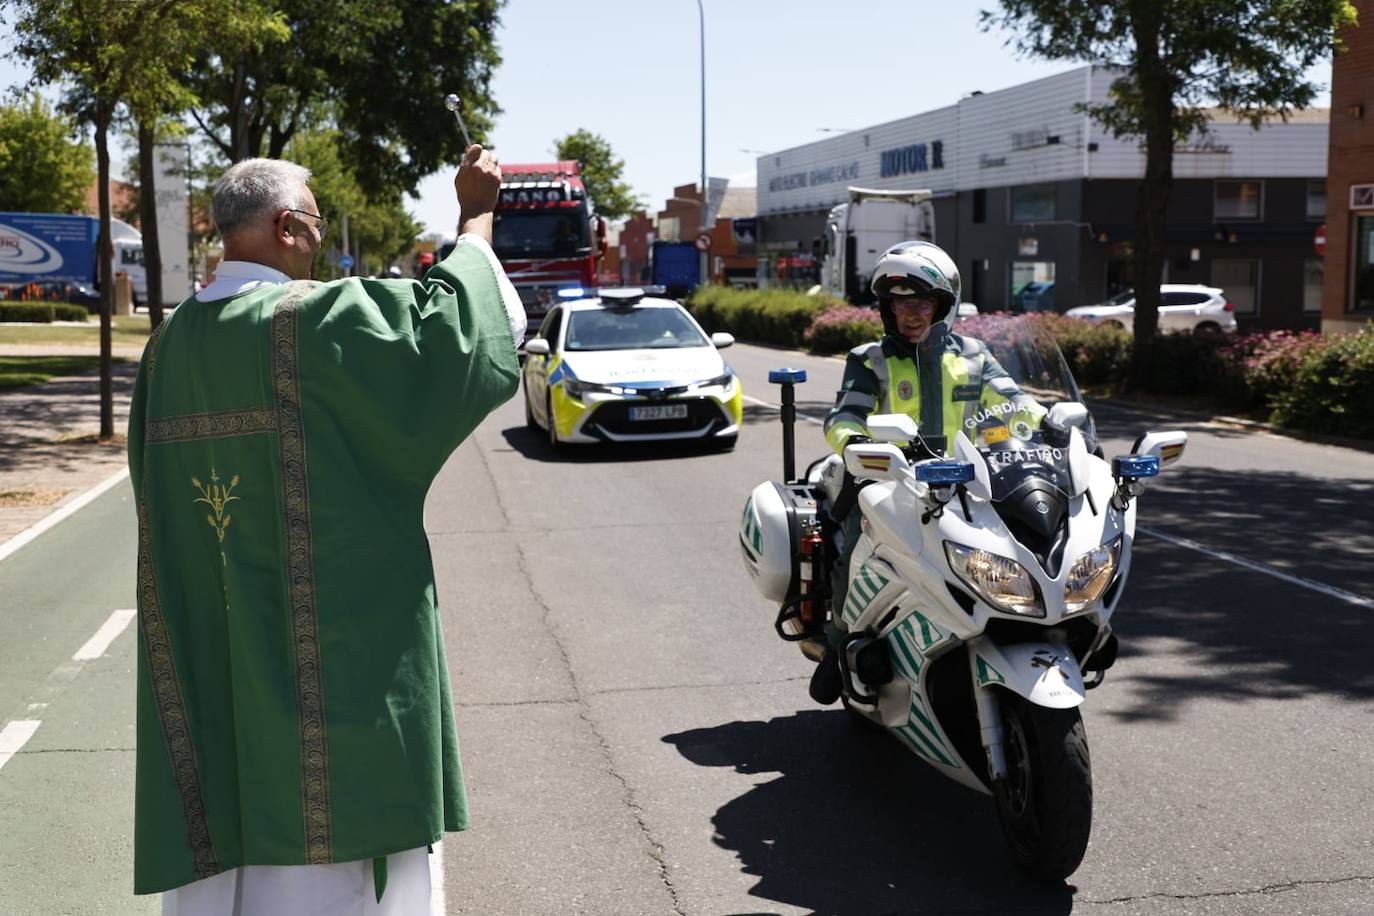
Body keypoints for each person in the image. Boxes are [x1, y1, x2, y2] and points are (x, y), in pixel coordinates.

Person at [127, 145, 525, 914]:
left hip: (217, 676)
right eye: (313, 220)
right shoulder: (310, 323)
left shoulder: (164, 349)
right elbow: (466, 333)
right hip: (335, 689)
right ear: (286, 227)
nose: (317, 242)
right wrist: (476, 217)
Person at [810, 241, 1042, 704]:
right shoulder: (870, 359)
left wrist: (1048, 420)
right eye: (899, 303)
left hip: (970, 481)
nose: (910, 314)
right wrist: (858, 445)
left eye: (921, 303)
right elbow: (844, 418)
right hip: (889, 481)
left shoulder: (974, 355)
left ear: (943, 306)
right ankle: (837, 650)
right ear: (885, 308)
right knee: (855, 557)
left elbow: (1014, 402)